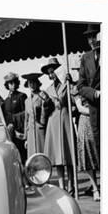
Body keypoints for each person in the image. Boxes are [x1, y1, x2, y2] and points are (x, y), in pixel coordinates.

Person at [42, 58, 76, 194]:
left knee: (68, 155)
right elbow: (45, 110)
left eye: (53, 72)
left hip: (65, 120)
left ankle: (71, 185)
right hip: (53, 123)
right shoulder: (47, 90)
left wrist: (71, 82)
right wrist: (46, 104)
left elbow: (74, 97)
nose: (52, 75)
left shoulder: (66, 84)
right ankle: (62, 186)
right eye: (49, 73)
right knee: (57, 157)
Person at [77, 24, 101, 164]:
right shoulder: (86, 58)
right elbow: (80, 85)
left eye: (94, 36)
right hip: (95, 108)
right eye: (89, 38)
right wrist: (95, 93)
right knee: (100, 146)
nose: (91, 41)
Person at [73, 90, 101, 201]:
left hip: (99, 120)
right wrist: (95, 112)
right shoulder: (77, 89)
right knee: (88, 155)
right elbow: (80, 107)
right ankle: (95, 189)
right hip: (87, 121)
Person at [22, 72, 52, 156]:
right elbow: (26, 120)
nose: (31, 85)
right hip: (30, 133)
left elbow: (47, 111)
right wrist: (26, 138)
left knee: (43, 155)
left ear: (37, 84)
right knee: (32, 159)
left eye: (33, 83)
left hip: (41, 131)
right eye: (29, 83)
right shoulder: (27, 101)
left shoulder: (43, 95)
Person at [1, 72, 27, 162]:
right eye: (10, 83)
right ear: (7, 85)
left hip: (20, 133)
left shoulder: (22, 96)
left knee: (23, 157)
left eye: (15, 82)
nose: (13, 85)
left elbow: (25, 115)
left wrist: (18, 129)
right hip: (10, 133)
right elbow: (5, 117)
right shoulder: (6, 101)